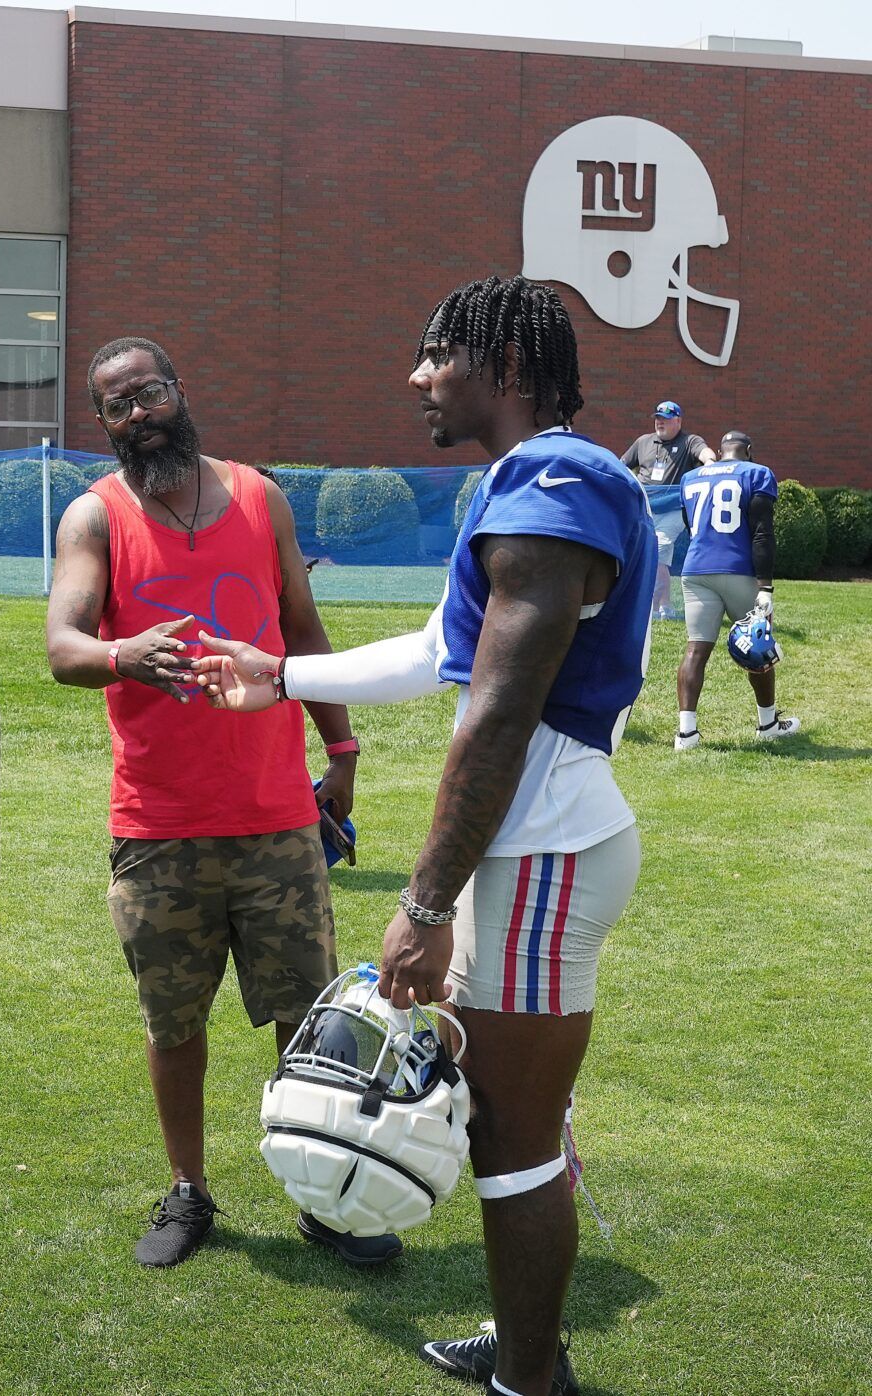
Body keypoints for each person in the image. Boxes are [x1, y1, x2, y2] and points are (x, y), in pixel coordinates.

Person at [195, 276, 655, 1396]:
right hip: (534, 845)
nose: (415, 377)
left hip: (542, 849)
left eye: (435, 354)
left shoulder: (557, 475)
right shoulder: (531, 482)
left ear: (503, 366)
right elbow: (444, 650)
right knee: (503, 1118)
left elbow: (498, 710)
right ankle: (529, 1341)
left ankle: (530, 1379)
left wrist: (426, 903)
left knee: (515, 1136)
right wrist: (282, 676)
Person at [46, 336, 377, 1270]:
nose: (138, 412)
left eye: (148, 391)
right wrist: (124, 654)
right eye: (117, 404)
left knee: (303, 1020)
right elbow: (63, 644)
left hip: (276, 816)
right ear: (104, 424)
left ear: (178, 392)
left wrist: (342, 750)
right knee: (174, 1025)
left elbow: (303, 630)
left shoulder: (259, 496)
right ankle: (189, 1191)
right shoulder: (95, 518)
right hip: (159, 827)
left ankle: (319, 1194)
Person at [674, 430, 797, 749]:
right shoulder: (757, 473)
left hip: (696, 569)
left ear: (719, 451)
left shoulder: (691, 477)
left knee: (695, 650)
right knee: (759, 646)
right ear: (749, 451)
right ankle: (767, 724)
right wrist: (766, 586)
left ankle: (686, 734)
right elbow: (761, 534)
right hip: (738, 570)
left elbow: (692, 526)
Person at [621, 401, 714, 621]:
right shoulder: (643, 442)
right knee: (646, 553)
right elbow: (622, 464)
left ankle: (654, 606)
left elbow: (705, 453)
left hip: (673, 508)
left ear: (678, 421)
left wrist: (710, 463)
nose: (659, 422)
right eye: (657, 418)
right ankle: (664, 604)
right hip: (644, 508)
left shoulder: (689, 441)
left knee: (660, 546)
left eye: (665, 418)